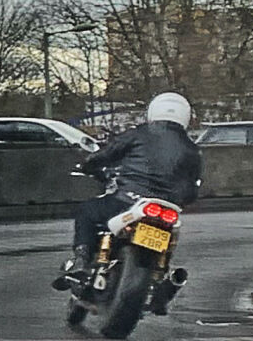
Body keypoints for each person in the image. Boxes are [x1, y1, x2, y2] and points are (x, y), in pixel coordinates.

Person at [58, 91, 202, 288]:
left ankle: (81, 261)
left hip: (129, 200)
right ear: (186, 116)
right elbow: (193, 189)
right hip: (168, 209)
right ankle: (164, 282)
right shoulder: (192, 149)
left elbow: (107, 153)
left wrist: (87, 165)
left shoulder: (139, 133)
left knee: (88, 211)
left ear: (154, 111)